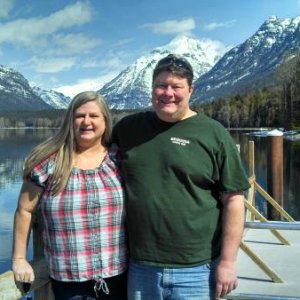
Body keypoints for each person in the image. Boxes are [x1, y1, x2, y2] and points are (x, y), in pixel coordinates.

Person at [113, 54, 250, 300]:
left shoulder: (214, 133)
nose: (168, 93)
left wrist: (228, 262)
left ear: (190, 90)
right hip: (141, 267)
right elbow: (87, 153)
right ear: (152, 88)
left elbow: (234, 200)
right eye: (161, 85)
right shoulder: (128, 129)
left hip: (197, 269)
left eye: (176, 86)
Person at [12, 91, 128, 300]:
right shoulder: (48, 161)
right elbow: (24, 210)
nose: (86, 121)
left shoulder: (118, 159)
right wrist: (19, 258)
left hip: (117, 276)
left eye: (94, 116)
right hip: (68, 282)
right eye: (79, 115)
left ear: (105, 121)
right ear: (70, 121)